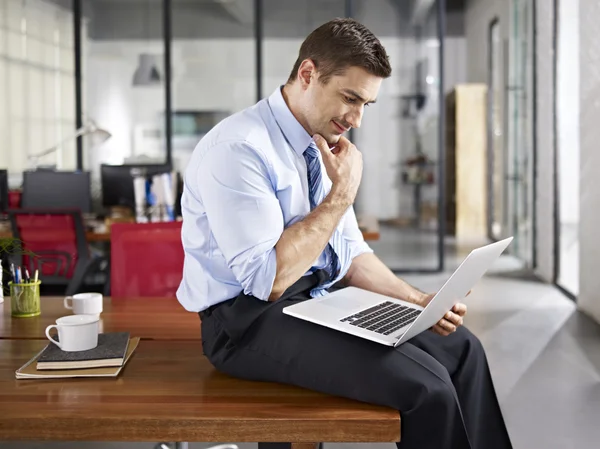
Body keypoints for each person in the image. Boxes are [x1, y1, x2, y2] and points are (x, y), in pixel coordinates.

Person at [177, 18, 512, 449]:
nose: (355, 119)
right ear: (307, 74)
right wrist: (341, 194)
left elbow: (349, 254)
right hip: (246, 323)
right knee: (428, 389)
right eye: (350, 98)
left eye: (365, 105)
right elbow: (268, 281)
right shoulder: (239, 149)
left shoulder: (322, 143)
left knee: (463, 351)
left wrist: (419, 301)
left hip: (321, 299)